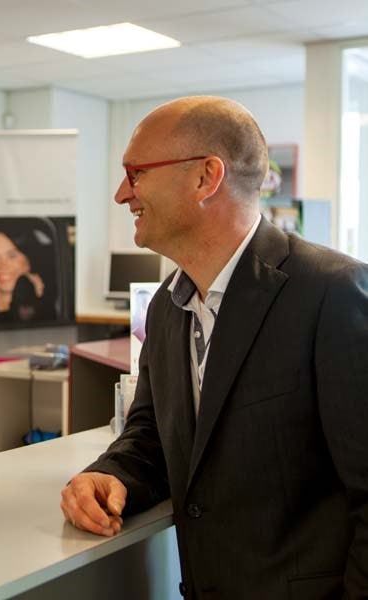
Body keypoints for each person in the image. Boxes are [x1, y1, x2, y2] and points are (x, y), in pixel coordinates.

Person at [60, 96, 367, 598]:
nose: (121, 194)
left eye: (135, 173)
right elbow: (152, 437)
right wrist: (108, 474)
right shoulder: (166, 308)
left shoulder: (332, 292)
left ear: (206, 177)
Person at [0, 225, 54, 322]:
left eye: (12, 256)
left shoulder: (51, 305)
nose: (3, 266)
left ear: (29, 259)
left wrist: (36, 303)